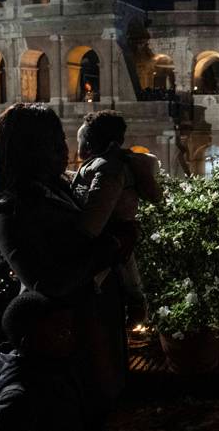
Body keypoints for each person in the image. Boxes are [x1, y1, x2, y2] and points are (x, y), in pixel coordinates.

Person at [0, 103, 134, 430]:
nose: (65, 149)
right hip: (59, 339)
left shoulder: (62, 190)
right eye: (54, 142)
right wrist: (110, 248)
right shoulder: (8, 209)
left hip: (93, 323)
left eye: (62, 139)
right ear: (29, 149)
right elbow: (48, 281)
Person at [73, 110, 162, 309]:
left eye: (79, 140)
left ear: (88, 144)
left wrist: (78, 235)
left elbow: (95, 218)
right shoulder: (114, 164)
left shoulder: (107, 169)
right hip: (117, 239)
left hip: (106, 243)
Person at [0, 291, 83, 431]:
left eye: (70, 330)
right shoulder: (16, 401)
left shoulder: (54, 372)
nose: (71, 338)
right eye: (61, 333)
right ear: (30, 342)